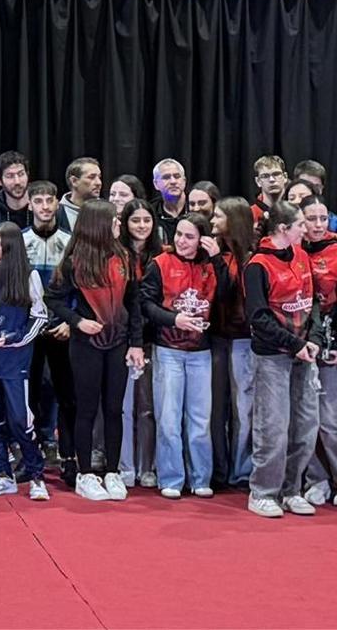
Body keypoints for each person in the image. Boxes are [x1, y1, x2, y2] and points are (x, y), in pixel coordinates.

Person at [46, 200, 144, 502]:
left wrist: (136, 343)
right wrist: (78, 321)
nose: (119, 224)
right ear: (98, 224)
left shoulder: (124, 257)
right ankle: (86, 473)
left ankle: (112, 472)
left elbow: (133, 304)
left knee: (115, 409)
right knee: (86, 408)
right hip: (86, 344)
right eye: (114, 220)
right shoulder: (74, 260)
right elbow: (54, 299)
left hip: (118, 342)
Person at [244, 200, 323, 518]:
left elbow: (313, 303)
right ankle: (263, 491)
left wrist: (314, 339)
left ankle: (292, 489)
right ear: (282, 230)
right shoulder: (258, 266)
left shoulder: (302, 256)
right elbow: (259, 317)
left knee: (306, 425)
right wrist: (294, 344)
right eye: (301, 224)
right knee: (273, 427)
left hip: (304, 353)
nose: (307, 229)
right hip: (273, 356)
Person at [141, 212, 227, 499]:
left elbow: (228, 298)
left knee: (200, 419)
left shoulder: (213, 265)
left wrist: (216, 260)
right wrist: (173, 319)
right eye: (178, 234)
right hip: (168, 349)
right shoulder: (160, 264)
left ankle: (201, 477)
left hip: (201, 352)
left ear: (202, 239)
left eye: (189, 236)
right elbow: (146, 304)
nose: (181, 241)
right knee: (168, 417)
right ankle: (172, 478)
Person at [0, 222, 50, 500]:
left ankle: (36, 474)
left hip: (15, 360)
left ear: (10, 246)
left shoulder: (28, 277)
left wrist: (16, 338)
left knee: (19, 418)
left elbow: (40, 317)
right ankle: (2, 473)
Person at [23, 181, 74, 470]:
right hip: (28, 329)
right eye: (38, 201)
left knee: (58, 386)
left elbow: (78, 288)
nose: (44, 206)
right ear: (29, 205)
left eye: (49, 201)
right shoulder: (19, 240)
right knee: (29, 385)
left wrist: (70, 320)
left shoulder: (70, 242)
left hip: (59, 327)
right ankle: (26, 440)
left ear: (57, 204)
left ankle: (53, 441)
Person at [211, 197, 256, 486]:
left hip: (243, 340)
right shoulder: (215, 252)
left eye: (218, 216)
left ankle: (241, 472)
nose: (212, 220)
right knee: (215, 409)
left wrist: (217, 259)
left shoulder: (251, 257)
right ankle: (218, 470)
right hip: (215, 338)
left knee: (243, 409)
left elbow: (230, 293)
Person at [118, 199, 162, 487]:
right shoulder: (116, 255)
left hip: (152, 339)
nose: (142, 226)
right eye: (136, 221)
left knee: (147, 408)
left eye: (147, 220)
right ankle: (124, 466)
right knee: (122, 407)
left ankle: (147, 466)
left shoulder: (161, 257)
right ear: (125, 224)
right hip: (121, 339)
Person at [299, 195, 337, 506]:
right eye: (311, 219)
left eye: (323, 218)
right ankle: (316, 480)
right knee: (305, 420)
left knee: (329, 420)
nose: (318, 225)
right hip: (300, 345)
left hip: (331, 343)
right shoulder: (293, 251)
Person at [151, 158, 189, 244]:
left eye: (177, 176)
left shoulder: (196, 207)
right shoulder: (151, 212)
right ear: (156, 184)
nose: (173, 181)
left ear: (184, 181)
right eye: (166, 177)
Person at [58, 157, 103, 229]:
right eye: (91, 177)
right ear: (74, 181)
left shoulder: (106, 211)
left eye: (99, 177)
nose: (99, 183)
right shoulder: (56, 214)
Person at [293, 159, 337, 231]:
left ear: (322, 189)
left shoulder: (334, 224)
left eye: (316, 187)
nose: (311, 192)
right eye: (306, 186)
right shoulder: (283, 223)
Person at [250, 155, 289, 228]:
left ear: (285, 177)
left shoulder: (295, 211)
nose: (272, 180)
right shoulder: (250, 214)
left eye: (276, 174)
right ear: (258, 181)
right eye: (265, 176)